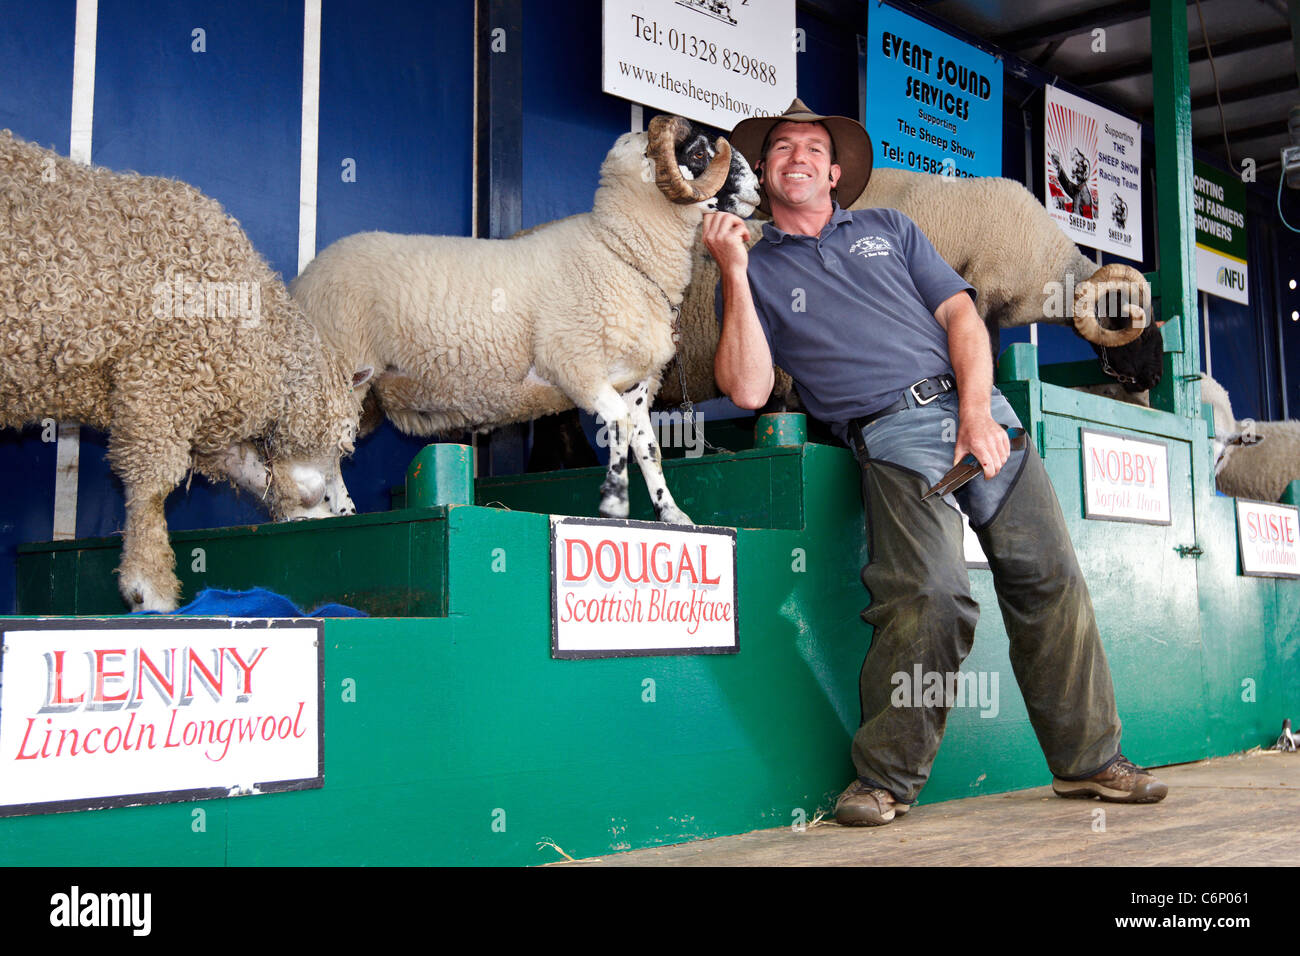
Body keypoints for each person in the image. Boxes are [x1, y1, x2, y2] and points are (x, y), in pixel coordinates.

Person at [704, 99, 1167, 826]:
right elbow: (748, 387)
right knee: (933, 593)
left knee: (1050, 577)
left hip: (981, 412)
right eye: (781, 148)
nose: (797, 156)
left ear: (834, 172)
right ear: (764, 171)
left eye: (812, 148)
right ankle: (885, 779)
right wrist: (732, 268)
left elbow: (960, 318)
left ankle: (1090, 764)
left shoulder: (891, 228)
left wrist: (979, 416)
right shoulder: (756, 264)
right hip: (893, 434)